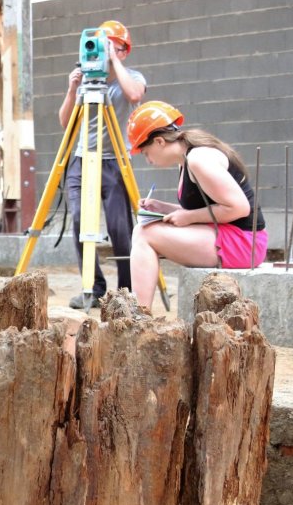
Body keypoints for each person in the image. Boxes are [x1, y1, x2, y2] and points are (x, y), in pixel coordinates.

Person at [126, 100, 267, 309]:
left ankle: (139, 314)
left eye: (146, 153)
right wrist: (165, 208)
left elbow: (238, 208)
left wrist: (188, 217)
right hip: (228, 234)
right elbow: (210, 208)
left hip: (243, 242)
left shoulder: (198, 159)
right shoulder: (187, 159)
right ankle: (140, 312)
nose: (148, 160)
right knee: (143, 231)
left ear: (159, 142)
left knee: (144, 234)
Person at [58, 20, 146, 309]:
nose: (104, 52)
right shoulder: (85, 82)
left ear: (122, 51)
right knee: (81, 221)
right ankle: (93, 287)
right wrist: (72, 89)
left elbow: (134, 95)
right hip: (82, 161)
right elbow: (65, 122)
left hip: (114, 162)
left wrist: (112, 61)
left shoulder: (131, 77)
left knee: (120, 229)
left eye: (112, 46)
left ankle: (124, 292)